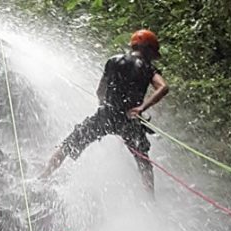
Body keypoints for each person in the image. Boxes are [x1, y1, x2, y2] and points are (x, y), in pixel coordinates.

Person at [41, 29, 169, 194]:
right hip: (130, 119)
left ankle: (44, 176)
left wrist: (105, 106)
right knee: (143, 161)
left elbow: (100, 91)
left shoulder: (113, 61)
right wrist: (142, 107)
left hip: (106, 115)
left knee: (68, 144)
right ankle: (150, 199)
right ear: (147, 50)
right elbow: (163, 87)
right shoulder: (148, 68)